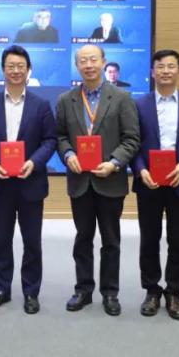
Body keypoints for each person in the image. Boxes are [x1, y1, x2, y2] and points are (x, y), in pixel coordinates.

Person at [0, 45, 57, 315]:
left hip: (30, 182)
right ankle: (2, 289)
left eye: (21, 66)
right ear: (3, 70)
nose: (16, 70)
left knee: (32, 242)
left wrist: (34, 162)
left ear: (29, 70)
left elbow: (50, 140)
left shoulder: (41, 105)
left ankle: (31, 292)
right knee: (2, 240)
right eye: (11, 66)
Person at [56, 44, 140, 316]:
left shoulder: (122, 98)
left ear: (104, 62)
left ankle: (110, 293)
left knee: (110, 240)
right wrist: (68, 154)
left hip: (110, 181)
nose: (88, 65)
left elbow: (132, 139)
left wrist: (114, 162)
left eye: (93, 59)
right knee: (83, 238)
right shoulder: (66, 99)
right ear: (77, 66)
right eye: (83, 61)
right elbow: (60, 136)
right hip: (80, 180)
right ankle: (83, 289)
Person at [132, 49, 179, 320]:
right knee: (149, 239)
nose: (165, 71)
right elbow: (132, 142)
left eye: (171, 66)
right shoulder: (138, 105)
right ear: (152, 72)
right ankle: (152, 290)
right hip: (149, 182)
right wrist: (140, 169)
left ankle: (174, 292)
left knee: (178, 240)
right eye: (160, 67)